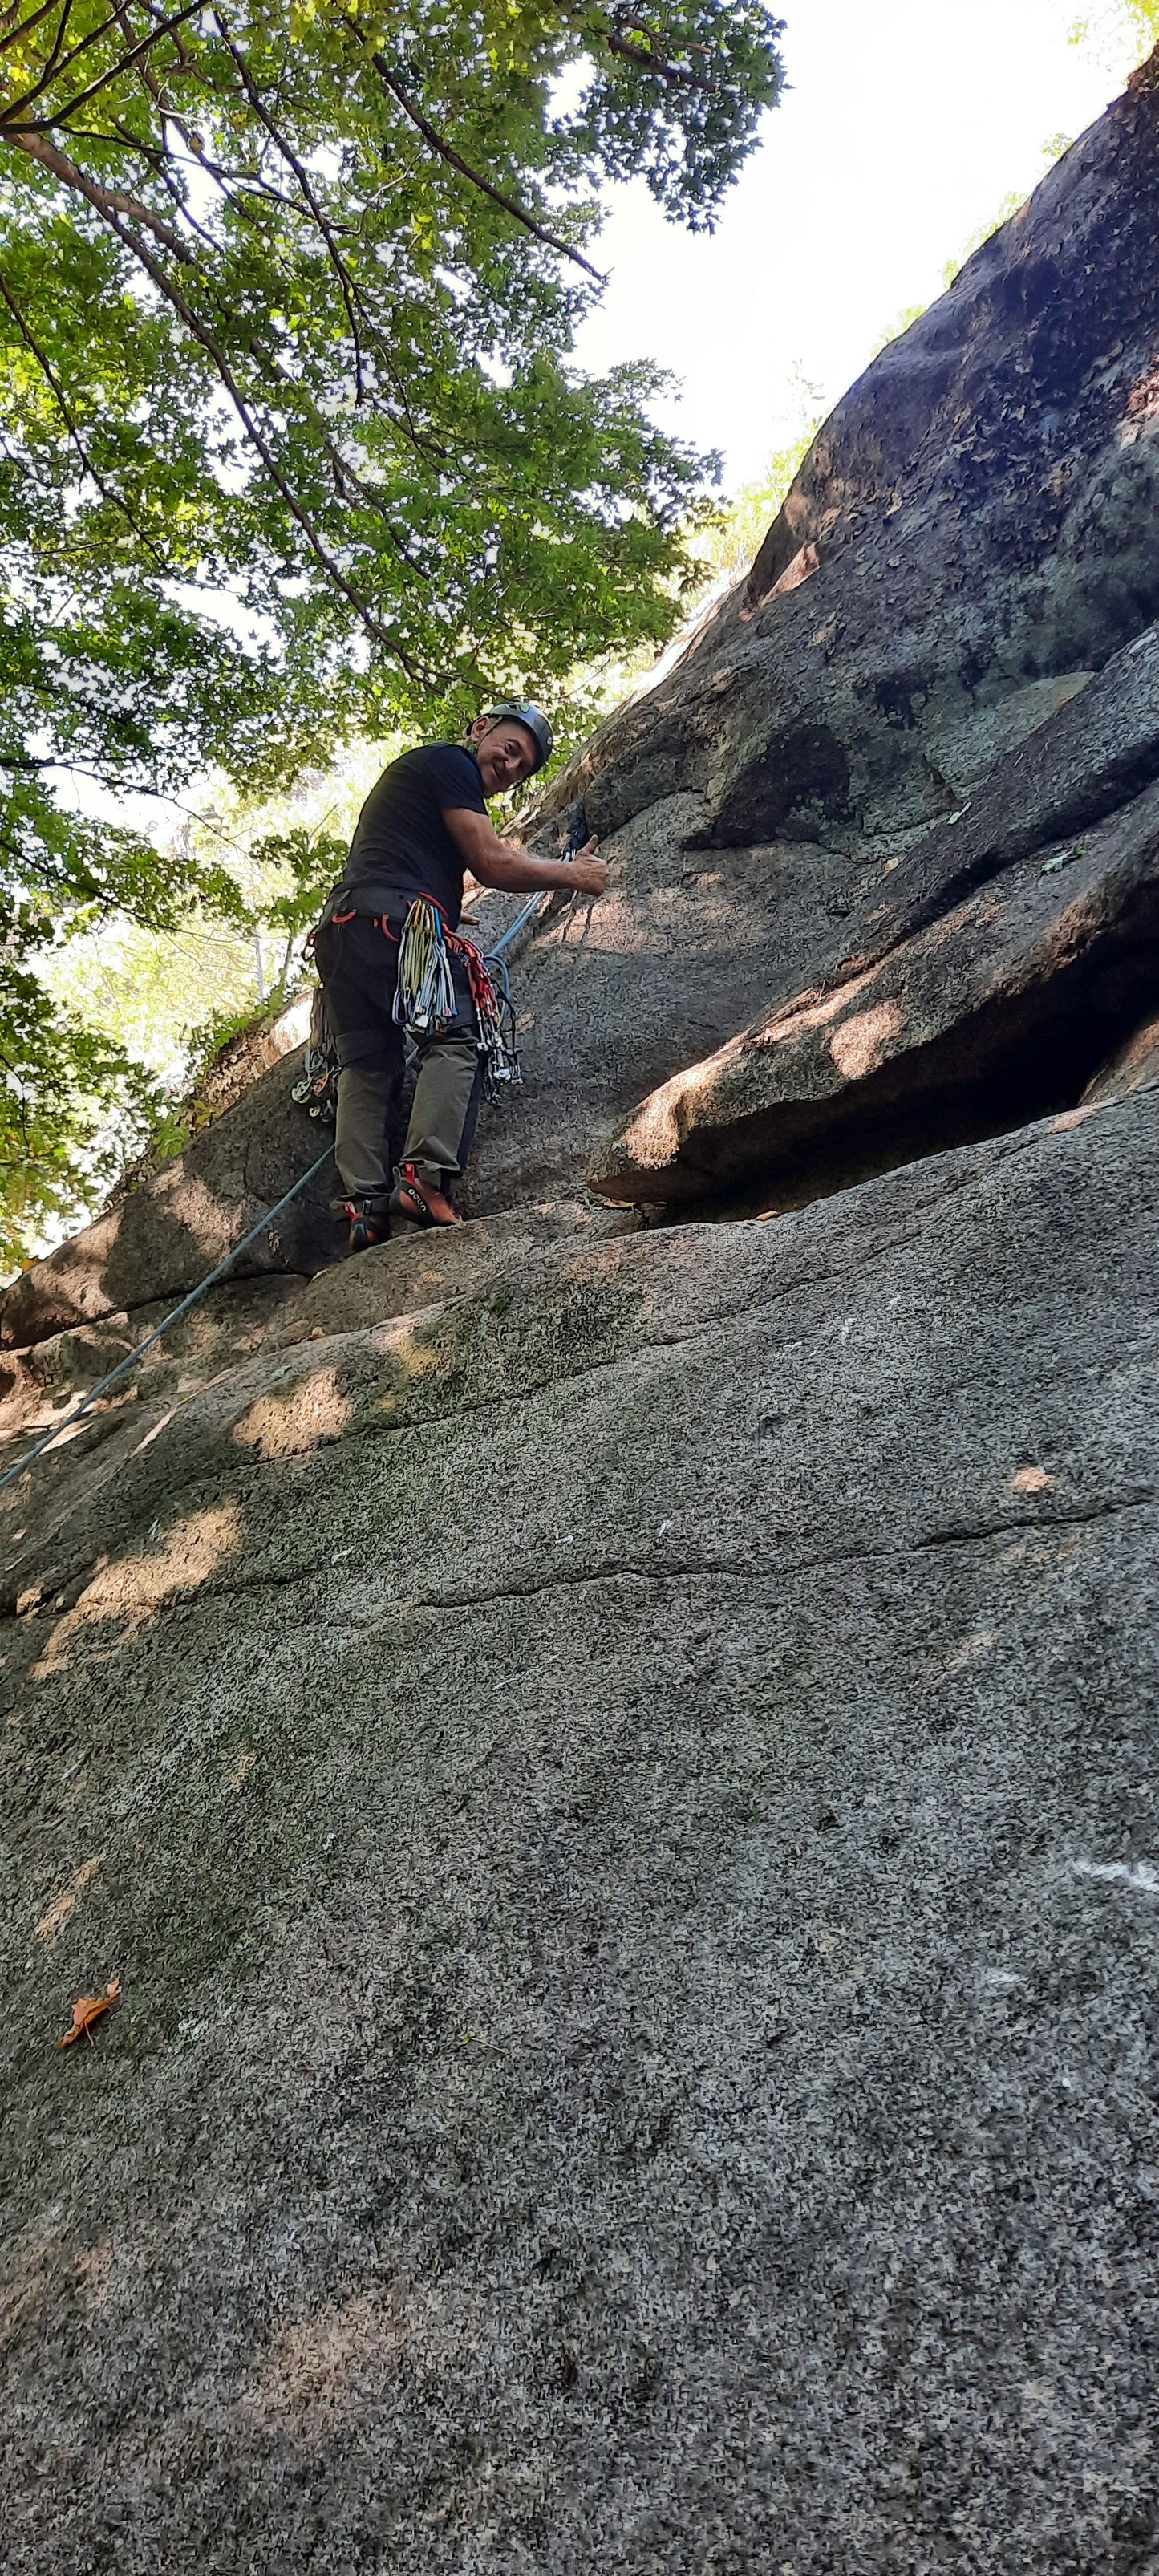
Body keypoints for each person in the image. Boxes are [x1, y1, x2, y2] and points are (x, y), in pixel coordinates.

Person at [313, 703, 607, 1251]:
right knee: (456, 1035)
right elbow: (493, 863)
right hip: (395, 923)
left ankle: (366, 1210)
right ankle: (425, 1180)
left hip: (344, 932)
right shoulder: (451, 764)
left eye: (522, 769)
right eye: (510, 749)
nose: (510, 766)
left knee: (366, 1064)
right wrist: (574, 874)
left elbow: (403, 852)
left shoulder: (423, 779)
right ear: (480, 729)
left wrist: (446, 901)